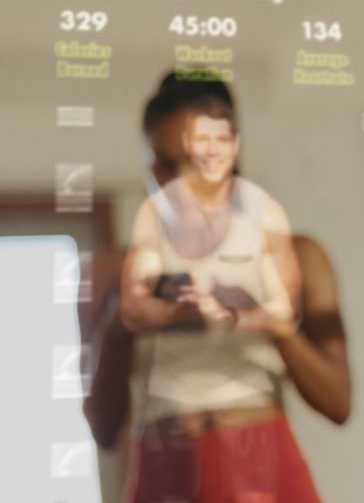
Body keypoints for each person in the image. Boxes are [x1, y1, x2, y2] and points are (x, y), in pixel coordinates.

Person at [111, 83, 338, 503]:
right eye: (163, 164)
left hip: (264, 468)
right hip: (164, 473)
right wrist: (121, 322)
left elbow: (338, 402)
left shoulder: (296, 255)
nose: (180, 181)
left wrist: (269, 320)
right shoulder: (120, 275)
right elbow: (104, 429)